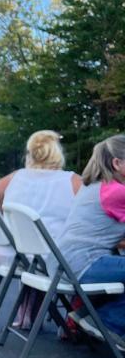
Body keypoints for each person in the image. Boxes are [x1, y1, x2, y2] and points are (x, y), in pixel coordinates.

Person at [56, 135, 125, 346]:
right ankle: (106, 321)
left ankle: (84, 313)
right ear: (117, 163)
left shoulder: (95, 186)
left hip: (65, 264)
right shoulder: (117, 192)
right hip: (84, 265)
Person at [0, 130, 81, 270]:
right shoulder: (73, 181)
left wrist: (9, 219)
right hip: (53, 259)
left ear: (30, 154)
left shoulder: (15, 177)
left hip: (12, 255)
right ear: (58, 153)